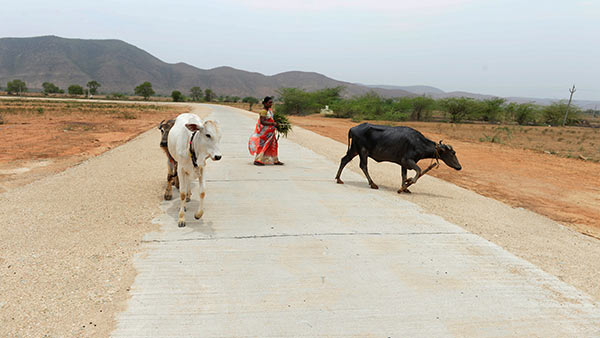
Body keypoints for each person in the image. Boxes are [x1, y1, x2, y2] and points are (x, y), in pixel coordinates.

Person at [248, 96, 284, 165]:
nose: (271, 104)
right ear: (265, 103)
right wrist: (273, 123)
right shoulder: (263, 112)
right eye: (269, 103)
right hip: (265, 133)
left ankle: (275, 160)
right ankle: (257, 160)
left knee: (273, 145)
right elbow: (262, 122)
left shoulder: (269, 111)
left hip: (270, 133)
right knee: (262, 145)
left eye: (271, 103)